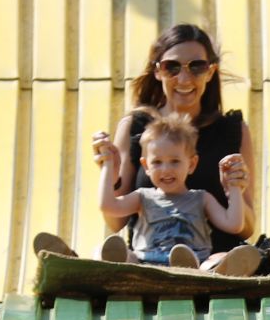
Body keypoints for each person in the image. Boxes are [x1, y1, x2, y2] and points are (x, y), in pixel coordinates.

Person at [33, 23, 261, 274]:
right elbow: (115, 219)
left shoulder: (232, 131)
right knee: (105, 252)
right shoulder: (136, 127)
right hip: (145, 260)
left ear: (210, 71)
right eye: (171, 67)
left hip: (208, 258)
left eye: (197, 66)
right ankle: (76, 268)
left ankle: (209, 273)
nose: (184, 79)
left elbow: (244, 227)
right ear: (157, 72)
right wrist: (109, 170)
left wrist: (235, 191)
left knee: (219, 261)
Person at [94, 111, 251, 271]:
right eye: (157, 162)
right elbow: (108, 206)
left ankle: (203, 269)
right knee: (113, 252)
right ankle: (114, 263)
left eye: (175, 161)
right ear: (146, 166)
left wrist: (234, 189)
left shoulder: (201, 198)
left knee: (219, 257)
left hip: (196, 264)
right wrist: (108, 166)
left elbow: (234, 225)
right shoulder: (142, 197)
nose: (166, 170)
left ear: (191, 164)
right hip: (145, 266)